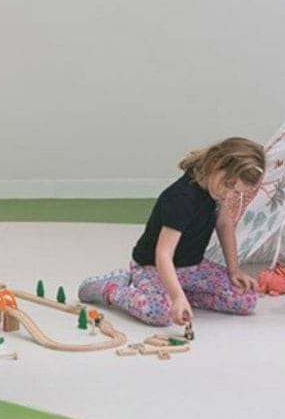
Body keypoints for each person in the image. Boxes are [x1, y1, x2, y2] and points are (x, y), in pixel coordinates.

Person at [78, 138, 264, 326]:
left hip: (193, 267)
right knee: (160, 313)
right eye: (229, 184)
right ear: (215, 163)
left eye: (236, 191)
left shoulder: (218, 192)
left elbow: (224, 224)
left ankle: (180, 294)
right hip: (153, 266)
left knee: (247, 299)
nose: (229, 194)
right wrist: (176, 298)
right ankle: (112, 288)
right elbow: (163, 254)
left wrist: (234, 270)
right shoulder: (180, 198)